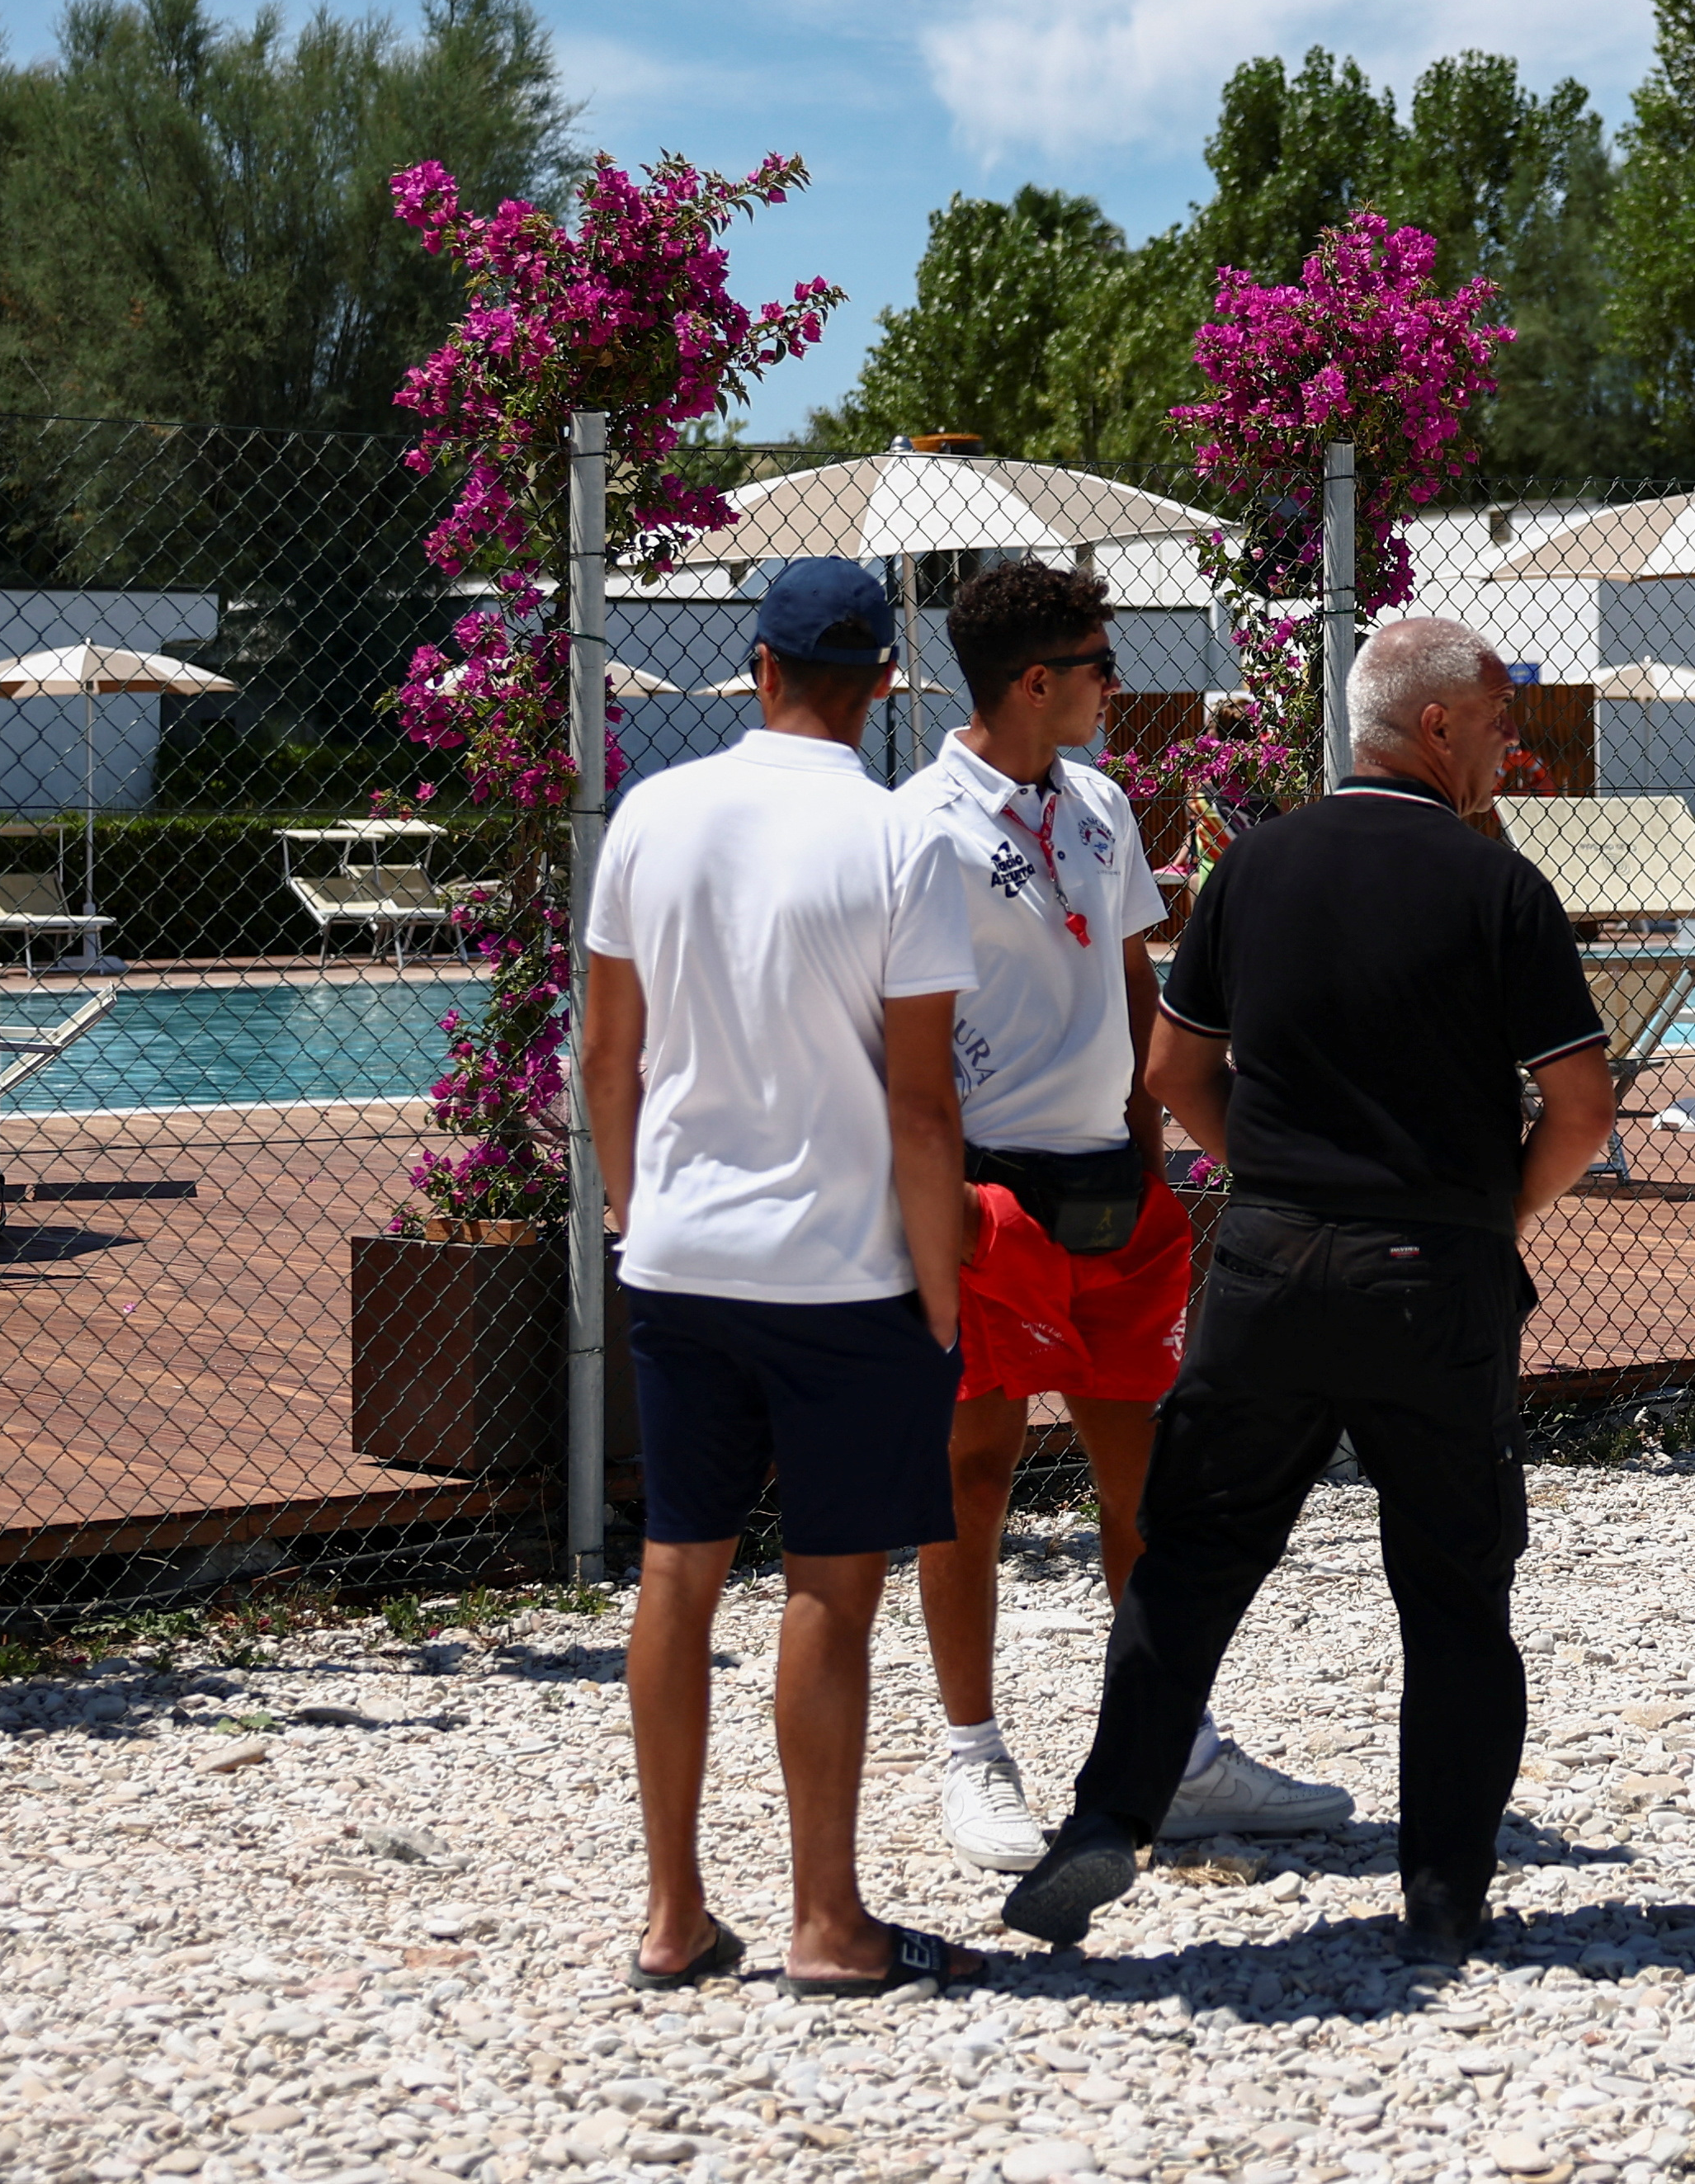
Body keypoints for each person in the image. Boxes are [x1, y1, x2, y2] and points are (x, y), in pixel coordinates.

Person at [1003, 616, 1615, 1969]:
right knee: (1454, 1588)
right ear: (1436, 724)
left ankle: (1108, 1816)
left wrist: (1273, 1174)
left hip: (1271, 1262)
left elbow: (1173, 1070)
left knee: (1191, 1555)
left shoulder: (1254, 864)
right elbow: (1581, 1105)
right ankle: (1443, 1895)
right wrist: (1487, 1211)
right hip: (1431, 1275)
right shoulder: (1497, 885)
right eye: (1498, 714)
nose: (1510, 741)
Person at [575, 555, 993, 1999]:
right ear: (883, 683)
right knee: (830, 1583)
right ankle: (828, 1921)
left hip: (681, 1254)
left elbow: (607, 1057)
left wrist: (639, 1214)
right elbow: (923, 1106)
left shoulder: (652, 812)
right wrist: (939, 1285)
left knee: (677, 1566)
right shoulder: (902, 838)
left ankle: (672, 1914)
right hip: (844, 1269)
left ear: (757, 667)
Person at [901, 560, 1351, 1875]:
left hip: (1113, 1183)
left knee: (1148, 1482)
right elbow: (899, 1029)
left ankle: (1175, 1746)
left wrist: (1157, 1153)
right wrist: (943, 1206)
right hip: (989, 1191)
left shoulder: (1099, 800)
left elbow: (1136, 978)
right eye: (1100, 662)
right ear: (1035, 679)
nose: (1117, 680)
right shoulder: (919, 824)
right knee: (972, 1472)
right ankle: (973, 1751)